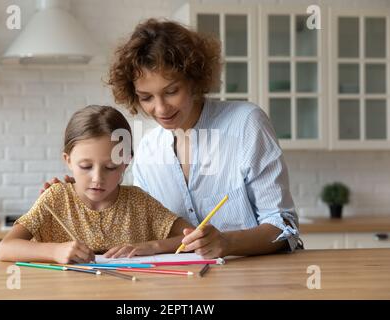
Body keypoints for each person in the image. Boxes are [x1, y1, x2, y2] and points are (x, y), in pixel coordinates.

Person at [44, 18, 302, 259]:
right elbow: (140, 221)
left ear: (194, 80)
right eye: (146, 97)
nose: (161, 109)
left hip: (253, 281)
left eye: (171, 91)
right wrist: (80, 192)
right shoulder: (147, 148)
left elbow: (284, 226)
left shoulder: (246, 123)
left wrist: (226, 242)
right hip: (178, 284)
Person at [0, 105, 193, 264]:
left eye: (110, 167)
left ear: (126, 161)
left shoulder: (138, 201)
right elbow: (6, 248)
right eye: (85, 166)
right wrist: (55, 251)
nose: (97, 178)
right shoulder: (56, 197)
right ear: (68, 160)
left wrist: (153, 246)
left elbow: (193, 236)